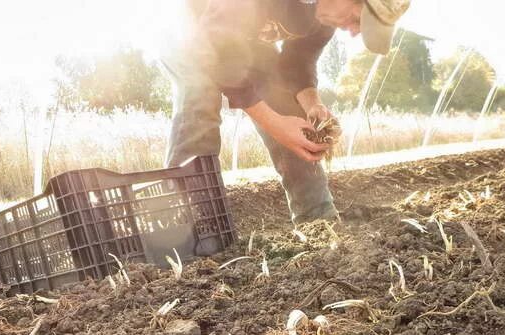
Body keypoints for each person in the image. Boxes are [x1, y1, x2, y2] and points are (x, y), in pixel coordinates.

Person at [162, 0, 411, 225]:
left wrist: (312, 105)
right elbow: (220, 44)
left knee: (288, 105)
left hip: (247, 42)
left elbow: (297, 62)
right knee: (200, 94)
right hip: (198, 28)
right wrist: (275, 124)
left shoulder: (323, 19)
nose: (355, 31)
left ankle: (317, 219)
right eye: (358, 19)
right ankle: (190, 223)